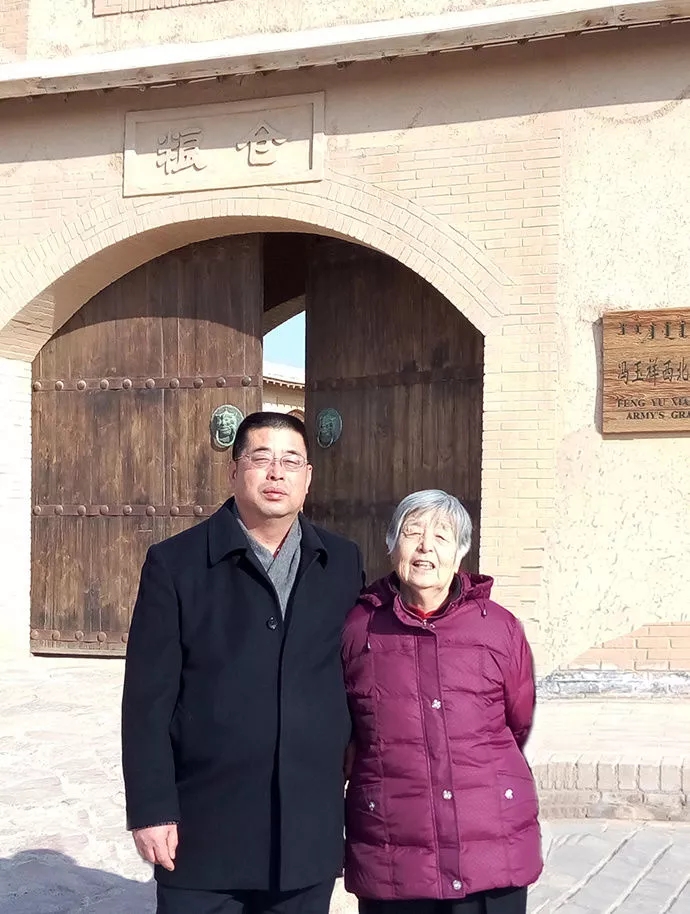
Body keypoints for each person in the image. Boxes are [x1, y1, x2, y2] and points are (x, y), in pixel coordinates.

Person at [122, 411, 365, 914]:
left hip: (306, 831)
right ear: (234, 471)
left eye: (291, 461)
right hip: (205, 831)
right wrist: (151, 809)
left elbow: (359, 669)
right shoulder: (176, 564)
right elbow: (147, 701)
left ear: (308, 478)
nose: (277, 473)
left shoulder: (342, 562)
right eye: (261, 458)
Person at [341, 490, 542, 914]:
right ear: (391, 544)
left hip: (489, 841)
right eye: (412, 533)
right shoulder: (359, 628)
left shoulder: (499, 628)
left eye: (441, 536)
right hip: (394, 848)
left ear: (461, 551)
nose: (425, 547)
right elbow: (346, 727)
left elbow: (518, 720)